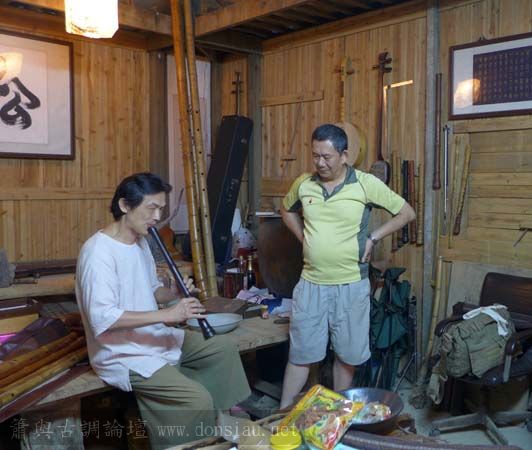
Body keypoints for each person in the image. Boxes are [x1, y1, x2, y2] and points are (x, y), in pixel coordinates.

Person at [75, 173, 250, 449]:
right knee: (195, 400)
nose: (157, 217)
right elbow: (103, 318)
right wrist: (168, 315)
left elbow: (153, 290)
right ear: (125, 205)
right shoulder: (98, 253)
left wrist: (176, 294)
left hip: (152, 334)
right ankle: (192, 434)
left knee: (221, 349)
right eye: (152, 208)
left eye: (161, 209)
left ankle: (212, 423)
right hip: (122, 352)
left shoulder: (141, 241)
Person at [279, 124, 415, 408]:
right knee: (301, 354)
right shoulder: (304, 183)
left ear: (344, 156)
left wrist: (374, 238)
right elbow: (286, 210)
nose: (320, 163)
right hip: (311, 284)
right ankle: (281, 417)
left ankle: (337, 417)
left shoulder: (365, 183)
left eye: (327, 157)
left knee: (346, 356)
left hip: (351, 285)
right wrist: (303, 237)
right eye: (315, 155)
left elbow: (406, 213)